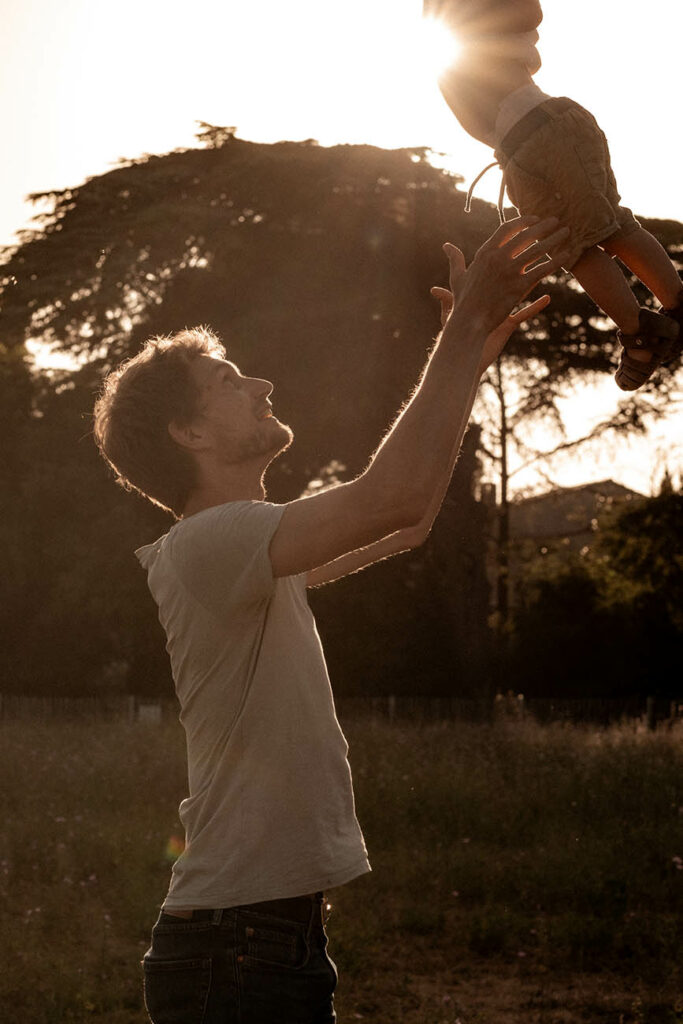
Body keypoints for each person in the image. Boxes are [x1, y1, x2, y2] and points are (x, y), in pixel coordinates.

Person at [92, 215, 568, 1024]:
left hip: (259, 939)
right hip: (235, 947)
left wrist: (469, 353)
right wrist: (457, 337)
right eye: (231, 382)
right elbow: (397, 496)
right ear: (191, 433)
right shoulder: (211, 544)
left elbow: (404, 521)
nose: (263, 385)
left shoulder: (249, 551)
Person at [424, 0, 683, 390]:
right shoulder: (479, 38)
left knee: (575, 246)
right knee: (610, 226)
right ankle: (673, 308)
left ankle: (641, 335)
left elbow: (524, 15)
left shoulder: (466, 32)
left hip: (537, 140)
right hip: (547, 133)